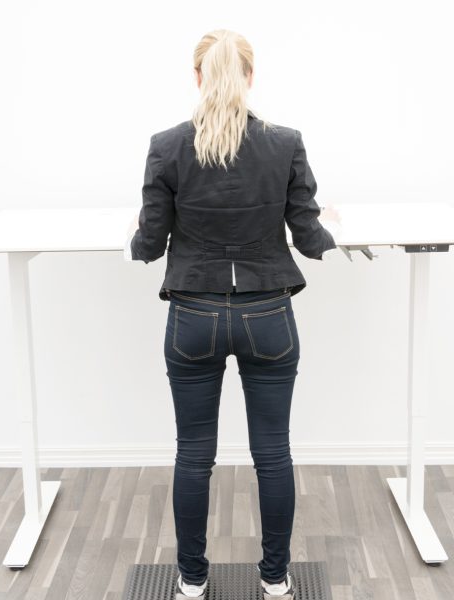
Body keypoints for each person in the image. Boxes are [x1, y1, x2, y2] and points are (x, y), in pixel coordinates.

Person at [125, 29, 341, 600]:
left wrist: (134, 236)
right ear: (250, 76)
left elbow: (149, 244)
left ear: (198, 77)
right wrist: (329, 225)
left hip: (193, 317)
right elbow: (309, 238)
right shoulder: (285, 143)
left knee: (193, 455)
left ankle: (192, 581)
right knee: (273, 453)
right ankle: (275, 580)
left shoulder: (167, 146)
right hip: (268, 316)